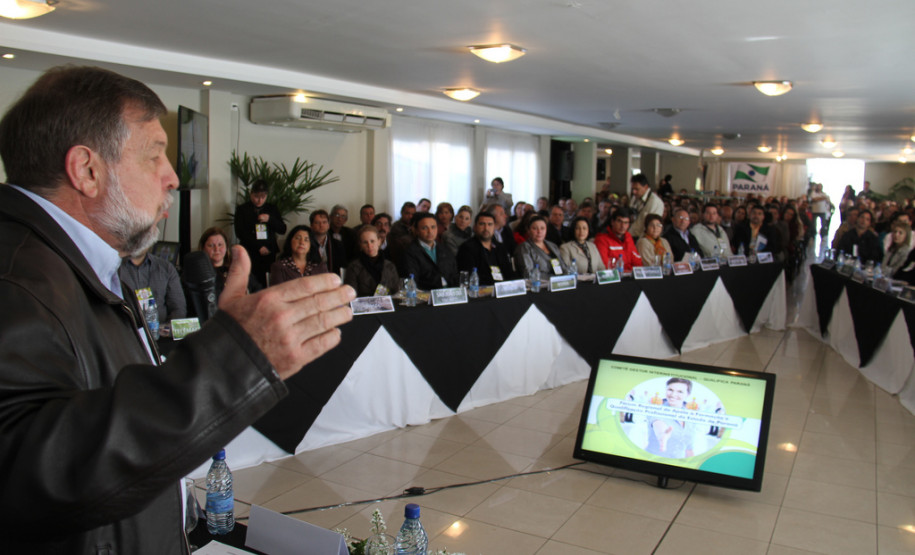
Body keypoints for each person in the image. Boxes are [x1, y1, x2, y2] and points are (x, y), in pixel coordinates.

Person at [0, 65, 355, 552]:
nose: (172, 177)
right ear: (86, 170)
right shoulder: (16, 278)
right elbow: (33, 475)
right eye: (154, 156)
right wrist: (236, 357)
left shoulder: (79, 263)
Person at [234, 179, 287, 289]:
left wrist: (270, 219)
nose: (259, 200)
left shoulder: (271, 209)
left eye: (263, 197)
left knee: (267, 281)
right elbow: (240, 233)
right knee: (250, 279)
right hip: (251, 250)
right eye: (256, 197)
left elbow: (282, 229)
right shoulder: (242, 209)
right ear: (251, 194)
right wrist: (258, 246)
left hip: (269, 250)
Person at [119, 247, 187, 327]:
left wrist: (167, 329)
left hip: (160, 334)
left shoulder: (166, 268)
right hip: (125, 332)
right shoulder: (113, 268)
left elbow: (178, 309)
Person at [399, 212, 458, 289]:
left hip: (449, 295)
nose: (430, 231)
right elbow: (412, 281)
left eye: (433, 227)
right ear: (417, 230)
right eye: (424, 228)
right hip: (426, 295)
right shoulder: (410, 252)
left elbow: (454, 275)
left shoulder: (445, 249)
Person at [456, 211, 517, 285]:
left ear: (494, 227)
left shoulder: (500, 248)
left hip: (503, 289)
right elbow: (469, 277)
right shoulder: (466, 248)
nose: (486, 228)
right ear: (475, 227)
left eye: (490, 224)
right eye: (482, 224)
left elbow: (509, 273)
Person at [645, 378, 695, 458]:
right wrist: (662, 434)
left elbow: (689, 449)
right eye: (670, 390)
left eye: (680, 391)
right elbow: (658, 423)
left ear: (688, 395)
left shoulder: (690, 416)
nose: (673, 394)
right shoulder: (656, 410)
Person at [344, 225, 400, 296]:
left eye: (372, 241)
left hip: (387, 305)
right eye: (365, 242)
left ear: (379, 242)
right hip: (362, 305)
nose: (369, 246)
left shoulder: (390, 266)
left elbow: (396, 292)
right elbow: (351, 295)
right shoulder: (353, 267)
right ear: (360, 245)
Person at [514, 215, 568, 282]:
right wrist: (553, 278)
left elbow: (563, 266)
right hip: (539, 285)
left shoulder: (552, 246)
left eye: (542, 228)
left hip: (559, 282)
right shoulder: (524, 248)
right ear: (528, 230)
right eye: (535, 228)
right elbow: (528, 273)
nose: (539, 231)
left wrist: (566, 276)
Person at [309, 209, 347, 275]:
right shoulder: (307, 244)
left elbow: (342, 266)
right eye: (317, 223)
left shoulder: (337, 244)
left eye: (324, 222)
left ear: (328, 225)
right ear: (311, 226)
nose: (321, 225)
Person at [628, 173, 664, 240]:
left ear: (646, 187)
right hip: (630, 235)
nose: (634, 192)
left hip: (643, 239)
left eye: (637, 189)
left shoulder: (655, 202)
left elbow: (653, 227)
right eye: (633, 189)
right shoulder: (634, 198)